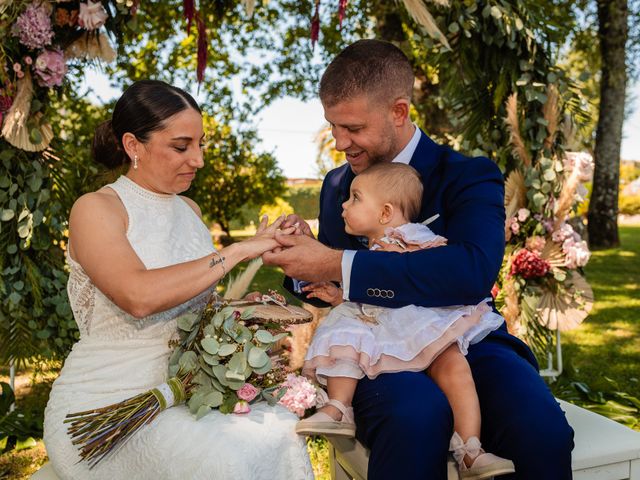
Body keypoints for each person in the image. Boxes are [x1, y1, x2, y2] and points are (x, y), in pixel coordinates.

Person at [263, 39, 574, 479]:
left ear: (399, 111)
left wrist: (334, 263)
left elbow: (469, 272)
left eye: (352, 127)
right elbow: (331, 284)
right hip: (374, 346)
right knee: (415, 418)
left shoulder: (468, 174)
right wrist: (301, 256)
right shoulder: (337, 186)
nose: (339, 142)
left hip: (466, 339)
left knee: (541, 432)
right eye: (332, 126)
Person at [43, 80, 313, 480]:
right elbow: (139, 296)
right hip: (103, 407)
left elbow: (193, 307)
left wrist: (239, 308)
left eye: (201, 144)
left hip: (188, 392)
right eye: (182, 146)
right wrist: (239, 249)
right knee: (228, 459)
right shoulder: (97, 209)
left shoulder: (190, 209)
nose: (199, 159)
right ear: (133, 145)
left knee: (280, 432)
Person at [295, 163, 514, 478]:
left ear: (385, 213)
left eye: (355, 198)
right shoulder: (370, 247)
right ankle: (338, 408)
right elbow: (368, 287)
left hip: (422, 320)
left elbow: (435, 264)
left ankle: (471, 448)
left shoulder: (411, 235)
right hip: (382, 323)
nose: (344, 204)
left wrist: (401, 257)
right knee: (345, 338)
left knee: (453, 365)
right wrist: (338, 294)